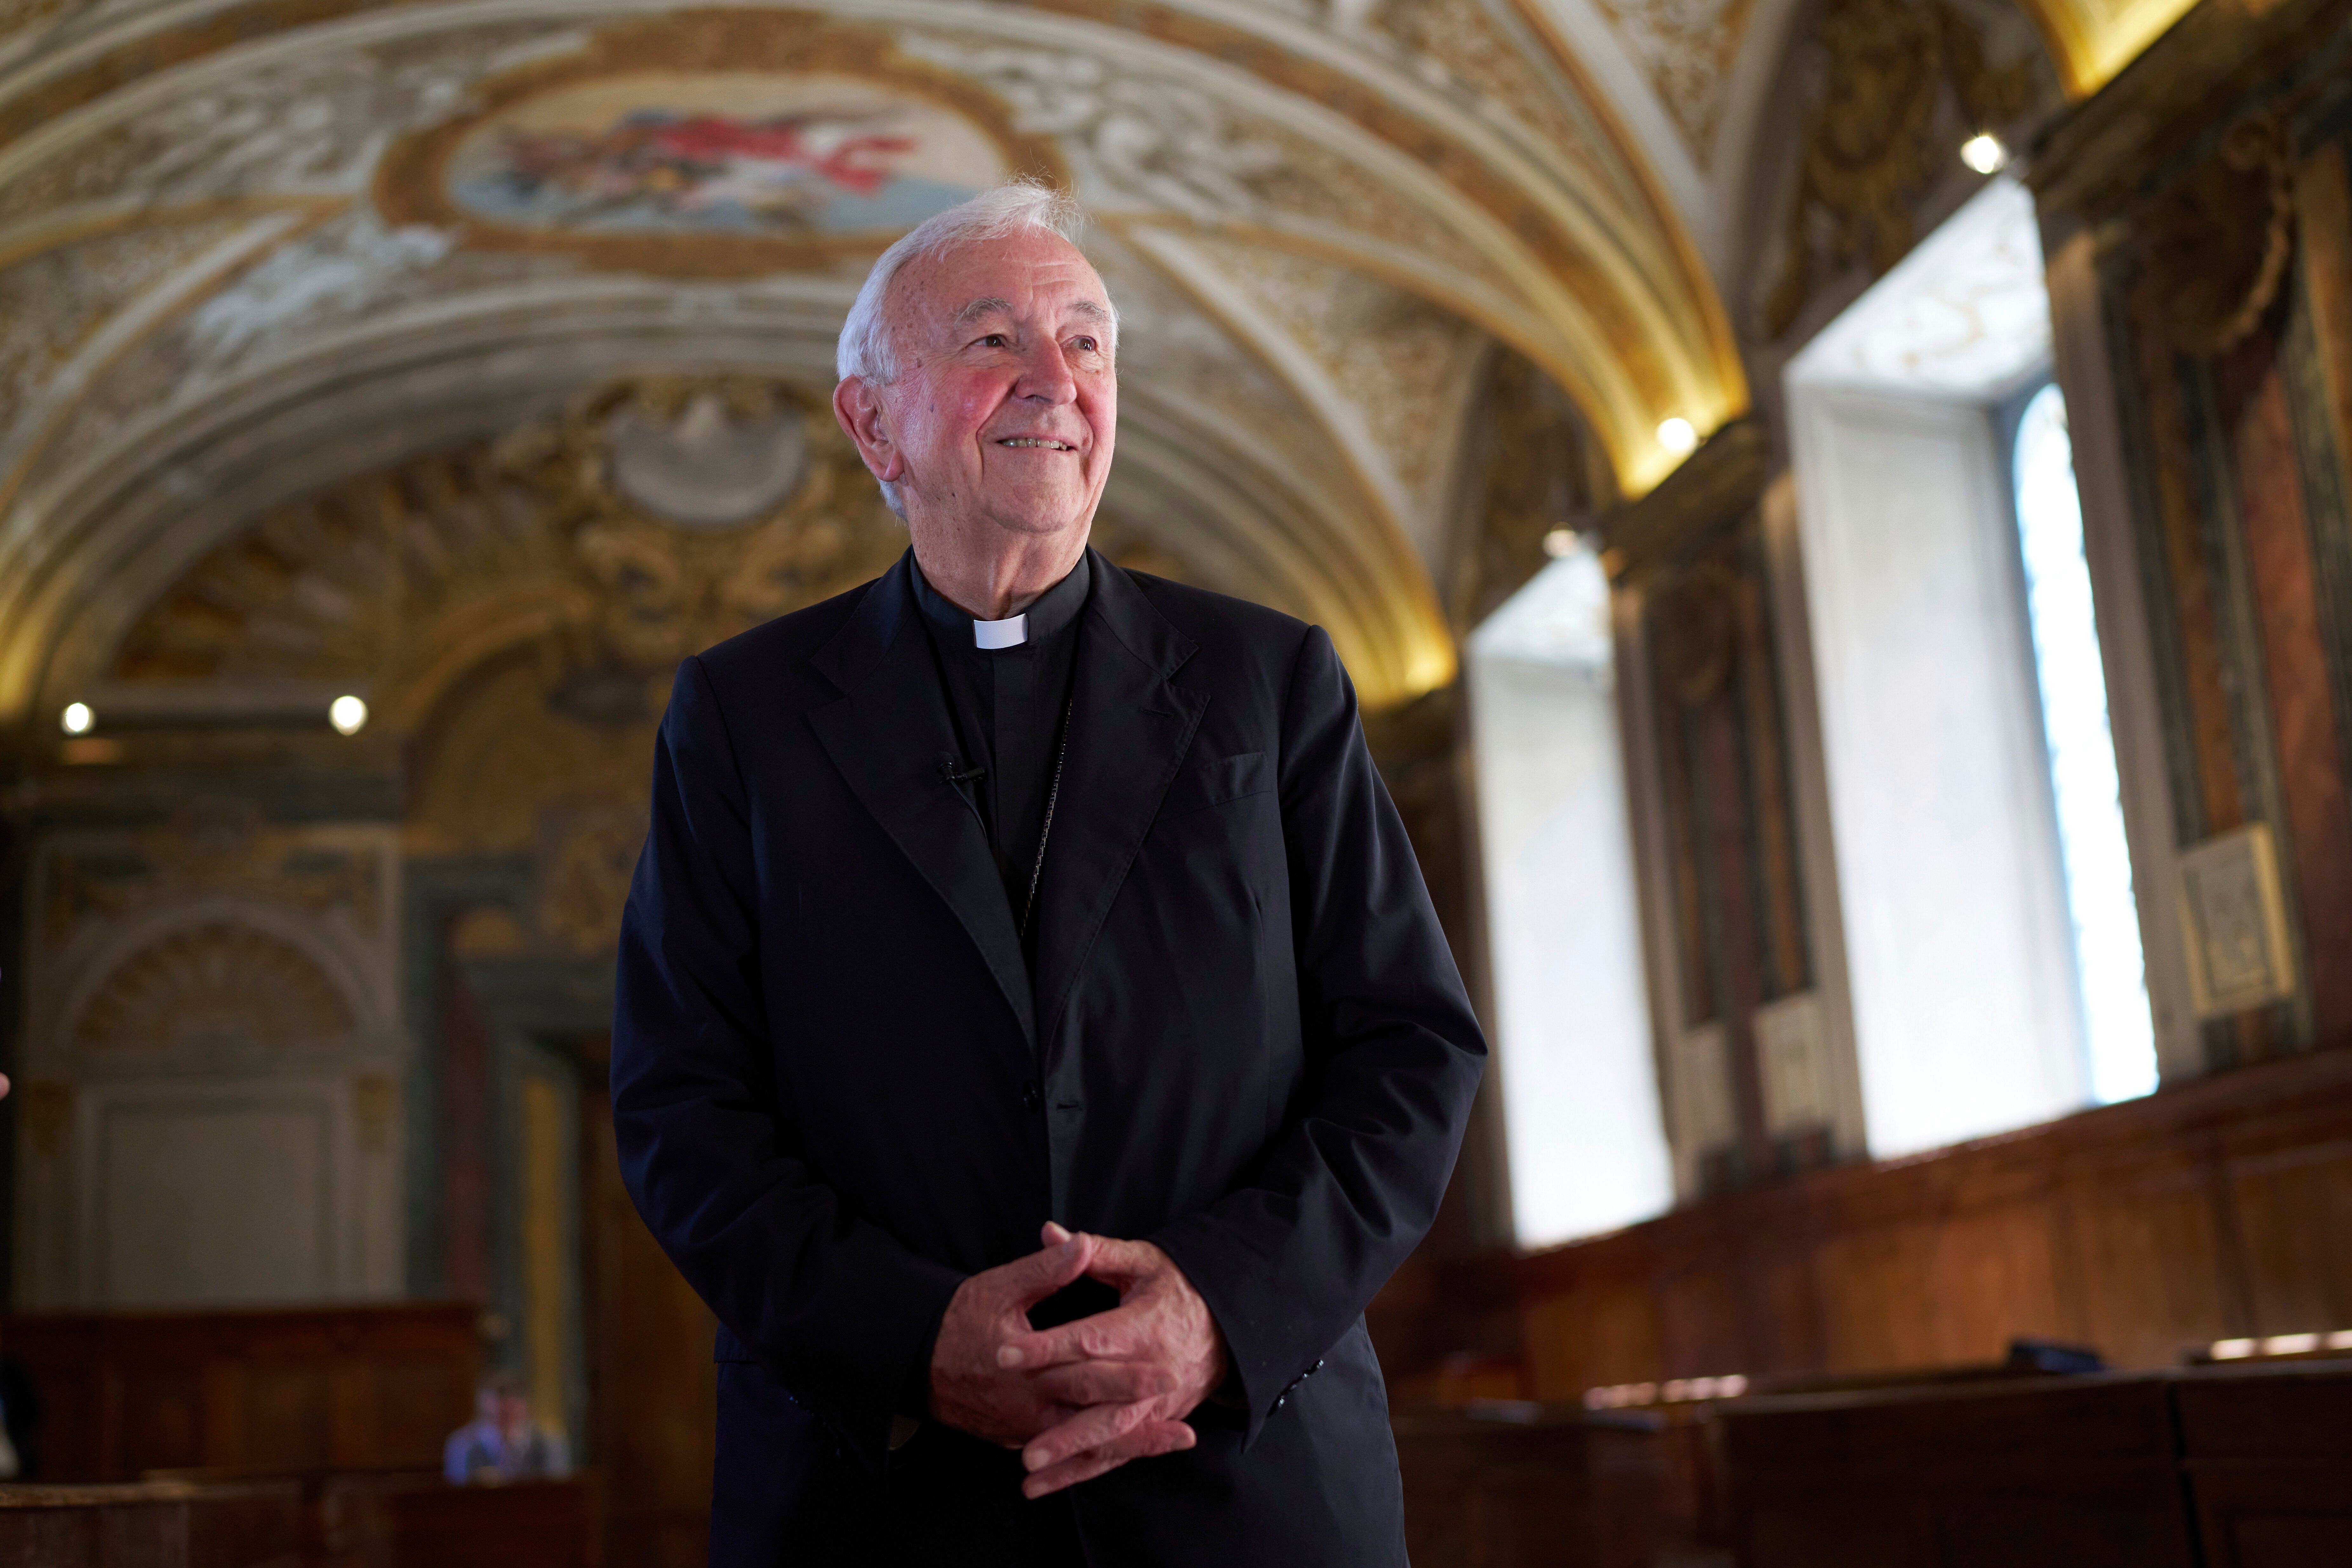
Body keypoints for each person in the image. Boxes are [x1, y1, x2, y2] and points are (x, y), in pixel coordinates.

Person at [610, 180, 1485, 1566]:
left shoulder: (1268, 683)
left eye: (1085, 341)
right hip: (881, 1492)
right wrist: (913, 1337)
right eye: (991, 341)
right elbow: (680, 1104)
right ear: (871, 423)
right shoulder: (744, 716)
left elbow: (1411, 1050)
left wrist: (1215, 1310)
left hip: (1242, 1483)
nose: (1055, 380)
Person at [443, 1372, 572, 1485]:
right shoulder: (462, 1444)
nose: (501, 1426)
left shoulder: (551, 1443)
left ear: (526, 1409)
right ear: (481, 1410)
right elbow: (457, 1495)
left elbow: (558, 1492)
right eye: (493, 1417)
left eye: (508, 1416)